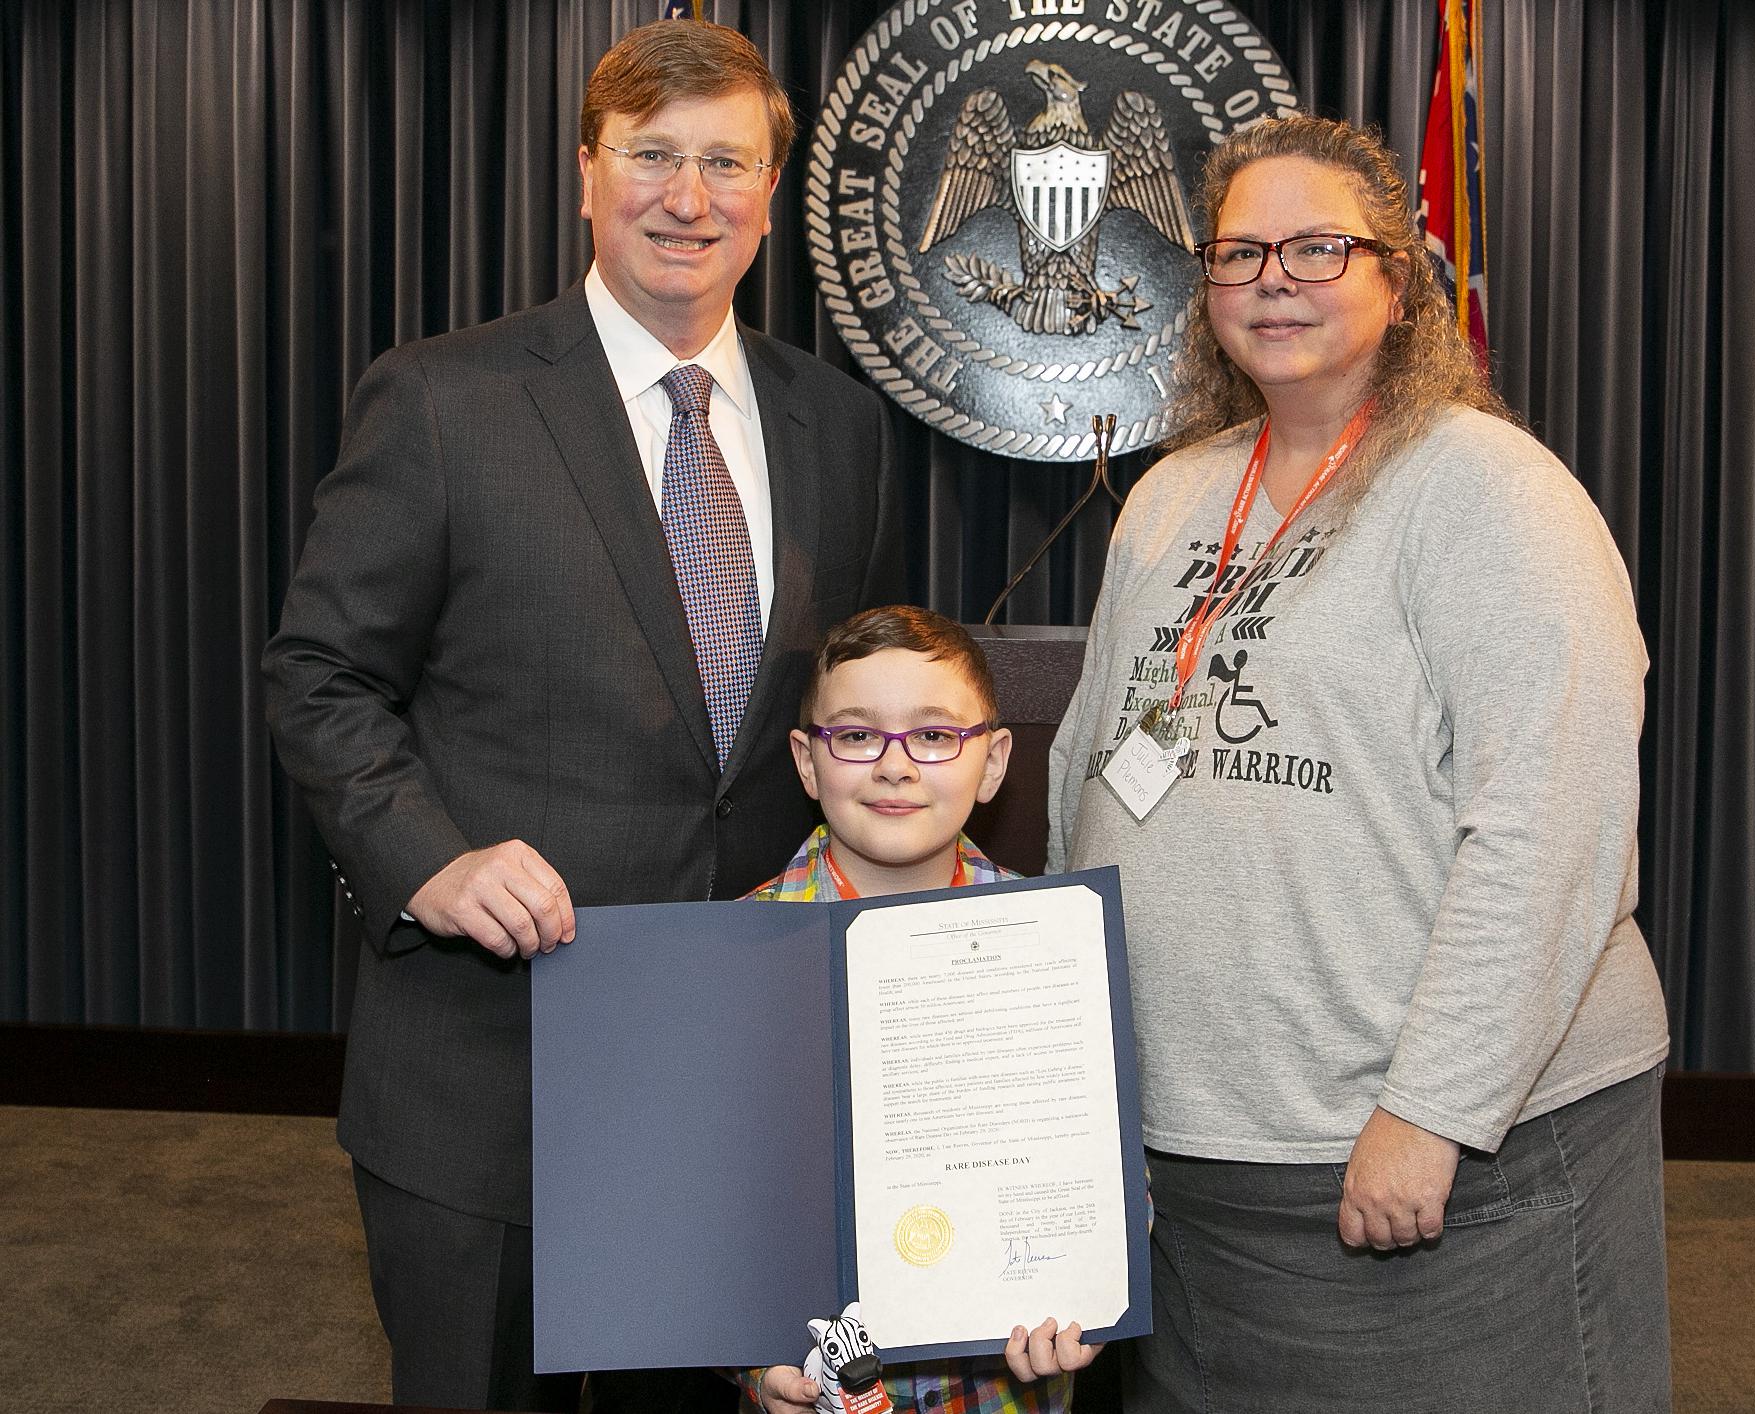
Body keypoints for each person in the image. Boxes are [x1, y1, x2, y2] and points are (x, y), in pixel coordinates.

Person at [263, 19, 900, 1413]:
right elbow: (317, 672)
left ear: (771, 192)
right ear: (585, 176)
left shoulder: (837, 428)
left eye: (725, 160)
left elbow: (825, 720)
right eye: (652, 156)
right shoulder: (443, 400)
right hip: (493, 1078)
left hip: (735, 1082)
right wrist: (429, 854)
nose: (689, 195)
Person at [1046, 115, 1672, 1412]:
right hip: (1201, 1159)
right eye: (1239, 251)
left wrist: (1435, 1107)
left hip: (1438, 1160)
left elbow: (1551, 821)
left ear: (1400, 282)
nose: (1273, 278)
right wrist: (1079, 1074)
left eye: (1320, 247)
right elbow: (1084, 772)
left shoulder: (1490, 490)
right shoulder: (1171, 493)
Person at [739, 605, 1099, 1414]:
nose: (895, 767)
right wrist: (751, 1364)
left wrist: (1085, 1286)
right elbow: (701, 1202)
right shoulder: (733, 959)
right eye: (857, 736)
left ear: (995, 759)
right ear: (806, 760)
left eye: (935, 736)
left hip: (999, 1392)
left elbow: (1108, 1179)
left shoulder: (1057, 945)